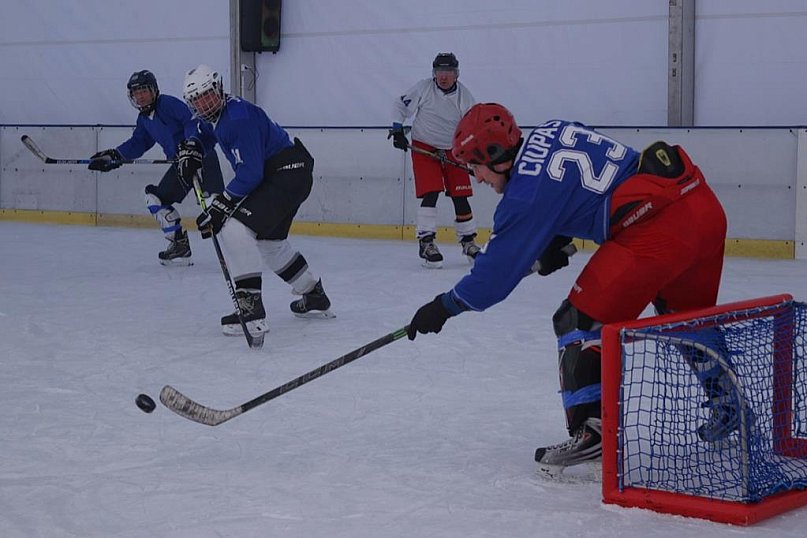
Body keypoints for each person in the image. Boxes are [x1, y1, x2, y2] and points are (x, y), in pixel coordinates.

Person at [406, 103, 729, 473]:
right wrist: (553, 240)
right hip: (702, 207)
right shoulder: (552, 128)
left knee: (577, 319)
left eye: (475, 167)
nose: (476, 178)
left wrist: (445, 307)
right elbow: (584, 184)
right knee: (688, 320)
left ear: (495, 157)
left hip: (660, 229)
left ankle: (591, 435)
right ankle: (730, 406)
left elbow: (493, 278)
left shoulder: (524, 195)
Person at [178, 64, 333, 338]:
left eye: (207, 94)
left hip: (284, 175)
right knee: (270, 245)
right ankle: (314, 295)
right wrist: (193, 147)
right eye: (197, 99)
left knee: (234, 228)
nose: (204, 102)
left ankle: (251, 311)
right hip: (290, 174)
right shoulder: (220, 114)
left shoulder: (238, 119)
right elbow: (203, 131)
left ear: (219, 88)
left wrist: (221, 207)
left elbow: (250, 174)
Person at [88, 70, 224, 265]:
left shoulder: (168, 104)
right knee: (155, 199)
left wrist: (191, 144)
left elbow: (192, 120)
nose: (140, 96)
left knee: (215, 208)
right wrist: (114, 156)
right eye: (136, 93)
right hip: (180, 165)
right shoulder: (144, 120)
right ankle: (179, 245)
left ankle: (238, 254)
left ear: (154, 90)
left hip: (201, 157)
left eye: (144, 91)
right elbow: (139, 142)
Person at [389, 52, 481, 268]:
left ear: (456, 74)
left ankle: (469, 242)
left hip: (453, 149)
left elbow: (474, 124)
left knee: (461, 195)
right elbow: (400, 106)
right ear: (434, 73)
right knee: (431, 191)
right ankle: (426, 243)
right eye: (439, 71)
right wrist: (397, 130)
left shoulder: (465, 96)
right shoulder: (423, 88)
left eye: (448, 72)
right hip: (424, 146)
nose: (443, 76)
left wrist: (474, 152)